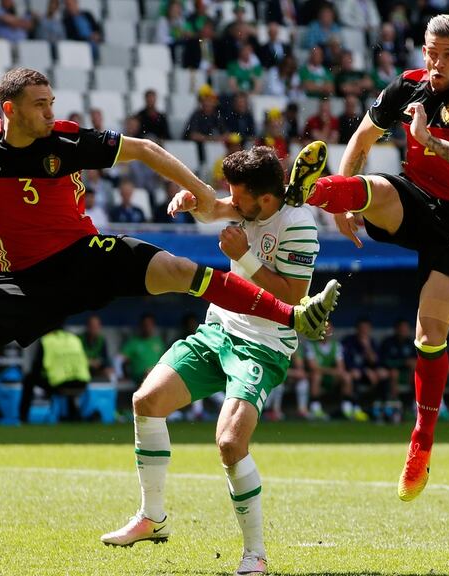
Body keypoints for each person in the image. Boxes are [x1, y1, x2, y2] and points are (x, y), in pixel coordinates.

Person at [0, 67, 339, 499]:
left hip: (83, 256)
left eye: (52, 102)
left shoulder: (69, 140)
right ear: (10, 110)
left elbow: (144, 149)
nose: (51, 113)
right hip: (22, 279)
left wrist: (206, 196)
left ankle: (293, 315)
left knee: (177, 270)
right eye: (40, 105)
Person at [283, 15, 449, 502]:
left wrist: (431, 141)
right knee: (377, 188)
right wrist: (341, 207)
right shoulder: (406, 86)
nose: (438, 63)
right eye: (432, 52)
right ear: (423, 50)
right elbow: (362, 139)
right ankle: (309, 192)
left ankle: (421, 443)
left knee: (430, 334)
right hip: (414, 199)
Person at [101, 146, 331, 576]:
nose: (232, 202)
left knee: (229, 444)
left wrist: (244, 256)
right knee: (146, 401)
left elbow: (293, 298)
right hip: (218, 329)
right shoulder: (249, 205)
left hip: (263, 344)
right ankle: (152, 518)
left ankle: (255, 555)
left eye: (238, 195)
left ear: (265, 198)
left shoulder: (299, 225)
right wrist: (192, 201)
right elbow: (214, 209)